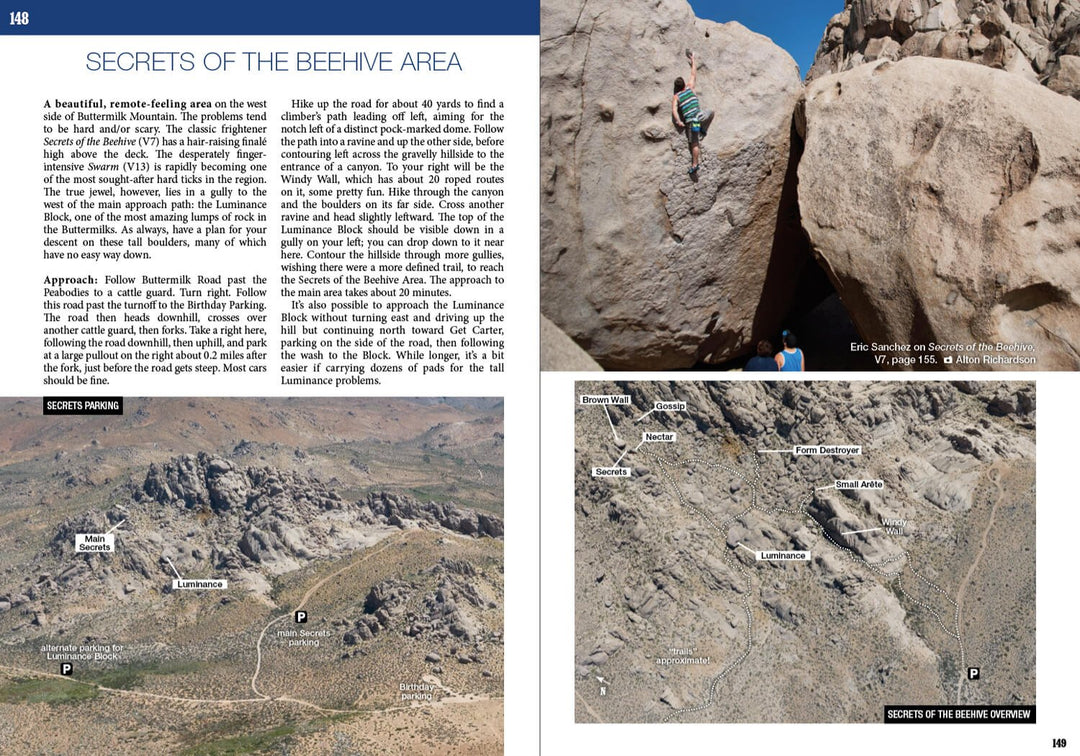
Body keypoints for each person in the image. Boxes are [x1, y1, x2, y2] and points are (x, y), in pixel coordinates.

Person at [672, 50, 715, 175]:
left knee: (694, 143)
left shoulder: (676, 97)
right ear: (684, 84)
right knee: (711, 112)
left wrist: (678, 121)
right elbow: (693, 74)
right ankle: (703, 128)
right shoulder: (690, 87)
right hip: (699, 116)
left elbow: (674, 110)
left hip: (691, 122)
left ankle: (695, 164)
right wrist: (693, 60)